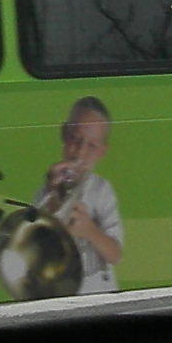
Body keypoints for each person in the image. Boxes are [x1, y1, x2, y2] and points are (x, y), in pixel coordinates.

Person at [39, 96, 124, 294]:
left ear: (102, 152)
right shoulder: (47, 188)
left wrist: (89, 231)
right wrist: (53, 195)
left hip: (97, 288)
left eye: (91, 146)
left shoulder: (101, 190)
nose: (80, 153)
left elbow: (115, 255)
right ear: (63, 133)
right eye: (75, 139)